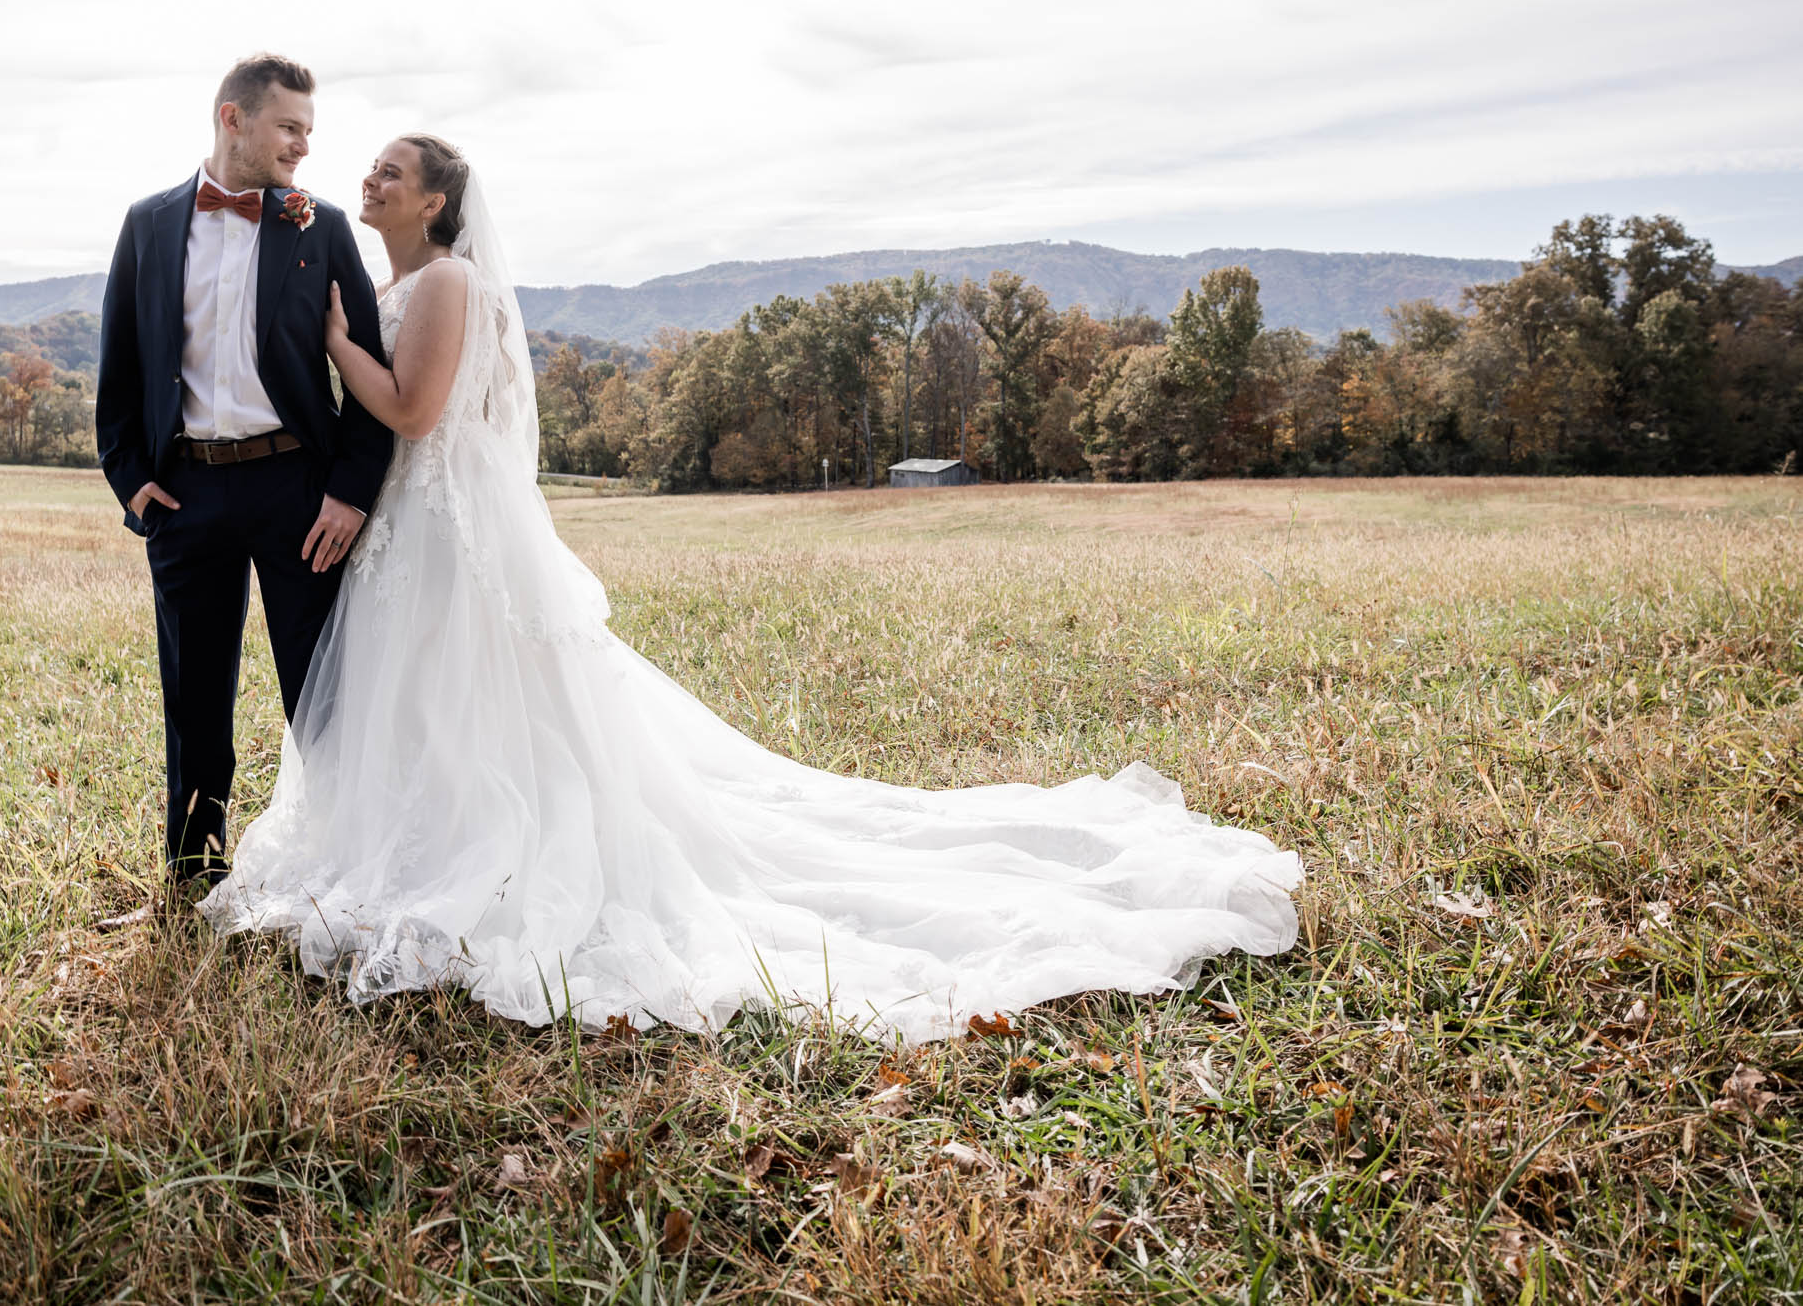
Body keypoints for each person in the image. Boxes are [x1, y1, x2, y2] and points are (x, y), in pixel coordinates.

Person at [203, 135, 1304, 1043]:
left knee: (478, 694)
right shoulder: (402, 282)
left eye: (393, 170)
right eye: (374, 167)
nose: (372, 177)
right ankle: (422, 845)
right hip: (415, 522)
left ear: (436, 200)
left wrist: (340, 341)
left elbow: (414, 410)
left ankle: (479, 863)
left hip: (453, 527)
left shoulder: (444, 280)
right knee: (431, 701)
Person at [94, 54, 394, 889]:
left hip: (298, 490)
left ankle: (349, 873)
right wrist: (132, 481)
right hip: (184, 493)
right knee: (193, 698)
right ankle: (194, 872)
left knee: (321, 694)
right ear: (234, 118)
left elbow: (368, 373)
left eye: (308, 130)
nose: (303, 145)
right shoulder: (147, 224)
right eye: (288, 127)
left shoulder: (321, 228)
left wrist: (349, 492)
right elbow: (119, 371)